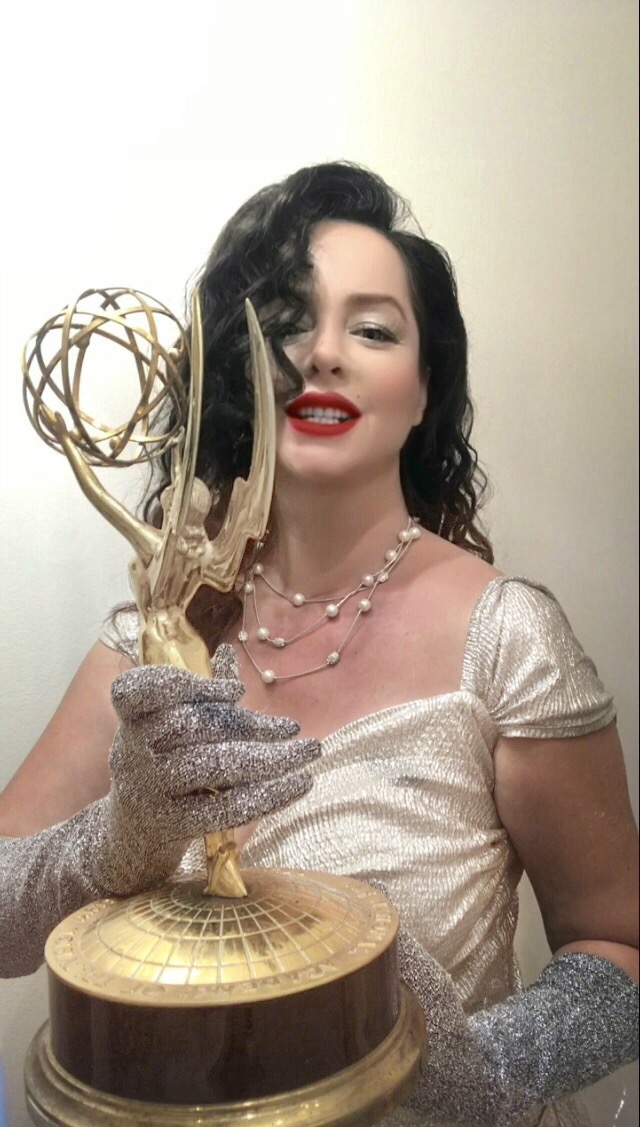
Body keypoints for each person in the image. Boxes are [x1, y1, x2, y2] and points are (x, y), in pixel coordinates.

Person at [0, 163, 637, 1127]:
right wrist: (119, 836)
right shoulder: (150, 637)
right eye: (288, 322)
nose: (324, 353)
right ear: (237, 373)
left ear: (424, 393)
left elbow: (617, 945)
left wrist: (479, 1066)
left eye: (373, 329)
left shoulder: (509, 637)